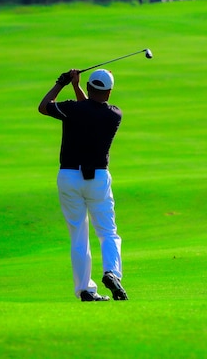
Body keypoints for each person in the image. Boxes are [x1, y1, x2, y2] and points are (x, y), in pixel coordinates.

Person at [38, 68, 128, 302]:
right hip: (97, 179)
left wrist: (62, 83)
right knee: (108, 232)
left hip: (68, 177)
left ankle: (85, 290)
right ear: (109, 92)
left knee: (79, 234)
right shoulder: (114, 114)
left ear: (89, 88)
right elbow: (90, 109)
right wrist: (77, 87)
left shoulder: (73, 110)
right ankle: (112, 272)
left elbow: (44, 106)